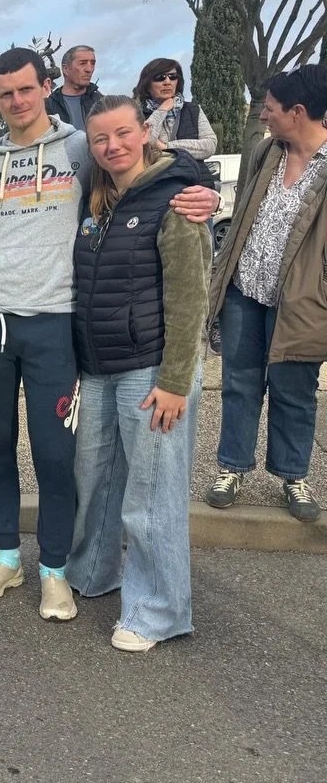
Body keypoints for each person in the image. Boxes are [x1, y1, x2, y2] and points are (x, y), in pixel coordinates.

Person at [67, 95, 211, 653]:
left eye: (123, 133)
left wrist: (176, 380)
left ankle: (157, 611)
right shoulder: (97, 203)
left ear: (144, 131)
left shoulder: (176, 199)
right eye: (101, 139)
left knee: (151, 496)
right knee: (96, 480)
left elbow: (190, 296)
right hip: (98, 367)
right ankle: (94, 573)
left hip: (152, 368)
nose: (113, 146)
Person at [0, 47, 90, 620]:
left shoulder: (80, 149)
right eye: (5, 93)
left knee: (55, 455)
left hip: (55, 323)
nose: (16, 101)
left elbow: (143, 172)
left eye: (25, 89)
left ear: (46, 87)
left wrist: (198, 191)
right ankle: (7, 558)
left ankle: (54, 572)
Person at [204, 65, 327, 521]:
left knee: (295, 389)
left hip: (302, 302)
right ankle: (232, 467)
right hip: (245, 290)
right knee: (240, 382)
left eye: (271, 108)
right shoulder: (265, 151)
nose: (265, 115)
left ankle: (293, 474)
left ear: (298, 112)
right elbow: (242, 218)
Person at [133, 59, 218, 181]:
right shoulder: (137, 114)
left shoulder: (193, 109)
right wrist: (162, 110)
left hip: (197, 183)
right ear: (147, 84)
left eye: (173, 77)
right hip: (158, 184)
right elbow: (146, 142)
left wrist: (167, 146)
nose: (167, 82)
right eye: (160, 77)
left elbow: (210, 145)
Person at [45, 45, 101, 133]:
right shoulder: (48, 107)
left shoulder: (102, 102)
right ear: (65, 69)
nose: (89, 69)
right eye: (83, 63)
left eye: (92, 63)